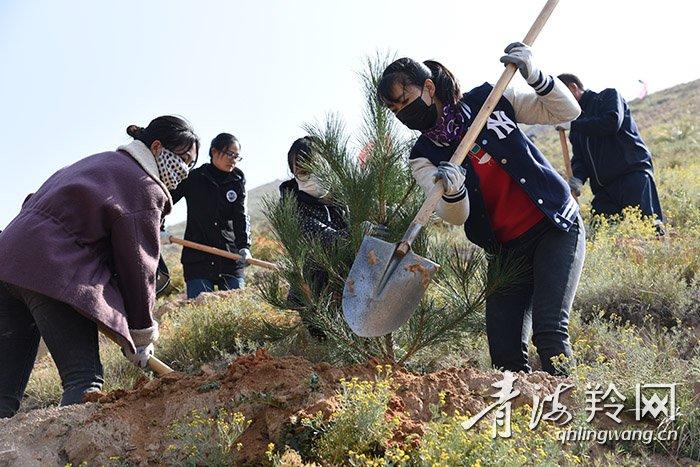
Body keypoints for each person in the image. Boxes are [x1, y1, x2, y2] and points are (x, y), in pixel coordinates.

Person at [376, 43, 584, 375]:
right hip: (505, 250)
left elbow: (566, 111)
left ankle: (573, 410)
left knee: (549, 332)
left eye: (404, 100)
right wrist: (453, 191)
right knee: (505, 357)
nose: (402, 112)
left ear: (429, 87)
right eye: (394, 108)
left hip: (554, 225)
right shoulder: (423, 155)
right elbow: (455, 216)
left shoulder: (491, 101)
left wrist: (535, 74)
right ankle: (523, 420)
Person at [0, 116, 199, 417]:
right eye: (183, 159)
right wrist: (142, 335)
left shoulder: (103, 161)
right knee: (84, 379)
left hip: (8, 261)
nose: (184, 170)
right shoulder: (143, 185)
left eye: (191, 165)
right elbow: (138, 267)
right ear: (156, 147)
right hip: (51, 268)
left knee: (4, 393)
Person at [557, 73, 664, 230]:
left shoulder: (608, 97)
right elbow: (580, 157)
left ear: (573, 88)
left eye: (560, 98)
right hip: (604, 189)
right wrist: (577, 178)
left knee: (649, 228)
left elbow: (611, 123)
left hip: (632, 176)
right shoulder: (576, 124)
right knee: (598, 232)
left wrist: (574, 125)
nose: (559, 105)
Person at [162, 133, 251, 299]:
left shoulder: (237, 180)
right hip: (198, 258)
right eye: (230, 154)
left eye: (237, 156)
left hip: (230, 256)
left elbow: (241, 216)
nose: (233, 160)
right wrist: (159, 228)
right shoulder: (193, 177)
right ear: (214, 152)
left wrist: (244, 246)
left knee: (236, 306)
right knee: (199, 311)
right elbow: (165, 201)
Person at [279, 136, 348, 338]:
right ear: (293, 173)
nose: (310, 177)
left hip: (353, 285)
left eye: (315, 168)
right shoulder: (291, 206)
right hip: (316, 293)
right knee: (329, 345)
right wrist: (359, 232)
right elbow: (322, 238)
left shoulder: (343, 197)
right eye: (302, 172)